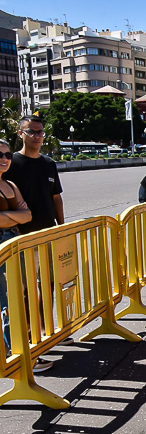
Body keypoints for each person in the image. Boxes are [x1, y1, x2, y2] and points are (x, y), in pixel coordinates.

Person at [6, 115, 68, 372]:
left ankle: (45, 331)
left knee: (48, 285)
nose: (37, 136)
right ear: (20, 134)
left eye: (40, 132)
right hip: (21, 237)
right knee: (24, 292)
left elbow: (56, 198)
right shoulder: (12, 164)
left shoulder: (48, 164)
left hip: (48, 233)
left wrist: (63, 228)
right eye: (32, 132)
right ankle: (29, 341)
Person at [0, 138, 32, 358]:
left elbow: (27, 215)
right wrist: (15, 217)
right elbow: (20, 215)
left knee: (17, 296)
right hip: (3, 245)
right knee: (6, 299)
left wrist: (5, 216)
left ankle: (16, 349)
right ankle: (15, 353)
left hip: (13, 241)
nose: (4, 159)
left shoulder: (10, 185)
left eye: (8, 155)